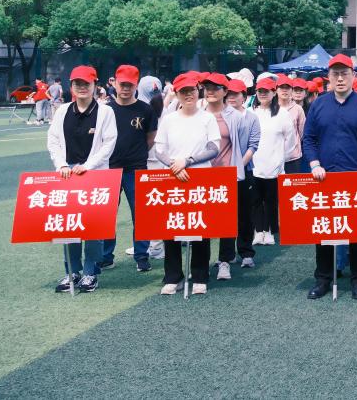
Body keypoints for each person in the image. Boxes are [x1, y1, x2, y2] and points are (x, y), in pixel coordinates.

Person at [302, 54, 357, 300]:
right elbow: (309, 138)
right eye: (335, 74)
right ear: (328, 77)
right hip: (324, 177)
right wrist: (314, 163)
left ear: (352, 76)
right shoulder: (319, 105)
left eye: (344, 73)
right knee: (324, 229)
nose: (339, 78)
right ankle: (323, 278)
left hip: (356, 175)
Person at [46, 66, 118, 293]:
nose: (82, 87)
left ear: (95, 85)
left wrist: (87, 166)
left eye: (86, 83)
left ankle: (90, 272)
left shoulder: (105, 111)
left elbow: (108, 144)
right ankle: (72, 271)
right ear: (71, 86)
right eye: (77, 83)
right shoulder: (62, 111)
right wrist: (61, 164)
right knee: (70, 225)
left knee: (93, 228)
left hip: (95, 176)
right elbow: (53, 140)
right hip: (68, 176)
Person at [152, 72, 220, 295]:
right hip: (173, 178)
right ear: (177, 94)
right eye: (183, 91)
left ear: (197, 91)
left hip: (200, 178)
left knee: (200, 227)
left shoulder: (207, 118)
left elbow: (213, 148)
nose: (188, 94)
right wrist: (175, 165)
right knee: (171, 228)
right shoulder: (169, 119)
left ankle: (200, 275)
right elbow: (159, 149)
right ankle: (173, 276)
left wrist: (188, 161)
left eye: (191, 90)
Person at [201, 72, 259, 278]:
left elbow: (243, 145)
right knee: (204, 220)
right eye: (207, 88)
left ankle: (224, 260)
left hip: (227, 173)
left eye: (215, 88)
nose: (210, 91)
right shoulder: (199, 112)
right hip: (202, 173)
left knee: (227, 219)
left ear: (224, 91)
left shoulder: (236, 117)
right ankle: (201, 265)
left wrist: (238, 167)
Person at [102, 65, 158, 273]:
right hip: (109, 169)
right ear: (114, 83)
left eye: (130, 85)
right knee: (106, 215)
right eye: (122, 84)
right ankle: (105, 256)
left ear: (136, 86)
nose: (125, 88)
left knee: (142, 214)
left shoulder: (146, 110)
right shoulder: (105, 110)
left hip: (136, 168)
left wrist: (137, 154)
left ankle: (142, 255)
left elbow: (150, 139)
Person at [251, 77, 296, 248]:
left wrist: (280, 159)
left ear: (273, 93)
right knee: (256, 200)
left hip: (274, 165)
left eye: (266, 91)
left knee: (271, 200)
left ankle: (269, 230)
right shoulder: (252, 113)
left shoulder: (282, 114)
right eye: (260, 91)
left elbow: (290, 141)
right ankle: (258, 231)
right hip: (254, 164)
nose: (263, 94)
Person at [276, 75, 306, 173]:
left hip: (293, 157)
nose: (284, 90)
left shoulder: (298, 109)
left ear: (291, 90)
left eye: (287, 88)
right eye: (282, 87)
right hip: (274, 155)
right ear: (276, 90)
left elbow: (301, 132)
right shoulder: (271, 108)